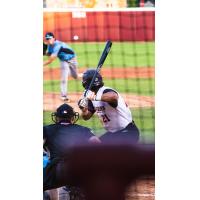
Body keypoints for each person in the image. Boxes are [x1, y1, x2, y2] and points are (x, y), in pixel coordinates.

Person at [43, 103, 100, 193]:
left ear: (57, 118)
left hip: (56, 171)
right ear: (72, 118)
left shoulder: (47, 129)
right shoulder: (82, 129)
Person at [78, 69, 140, 144]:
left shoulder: (106, 91)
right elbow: (86, 117)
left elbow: (113, 97)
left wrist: (95, 97)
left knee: (108, 153)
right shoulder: (91, 95)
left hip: (128, 132)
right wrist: (84, 110)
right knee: (94, 147)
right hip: (114, 134)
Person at [43, 32, 80, 102]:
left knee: (75, 76)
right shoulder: (50, 45)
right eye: (47, 39)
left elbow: (50, 60)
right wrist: (44, 52)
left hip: (73, 59)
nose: (48, 40)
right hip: (64, 61)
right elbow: (49, 53)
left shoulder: (58, 45)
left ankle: (87, 75)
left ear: (53, 38)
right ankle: (64, 96)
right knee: (64, 78)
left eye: (50, 38)